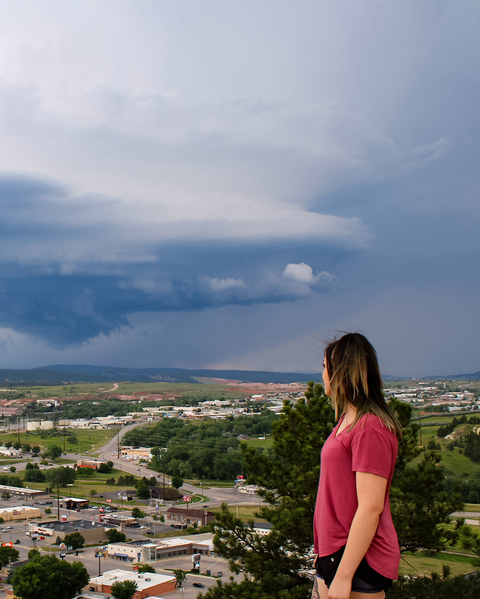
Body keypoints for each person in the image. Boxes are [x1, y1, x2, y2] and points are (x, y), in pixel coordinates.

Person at [312, 333, 402, 599]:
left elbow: (371, 507)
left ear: (340, 372)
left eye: (324, 368)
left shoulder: (369, 428)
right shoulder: (345, 423)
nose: (322, 375)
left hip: (358, 560)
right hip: (335, 554)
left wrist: (344, 575)